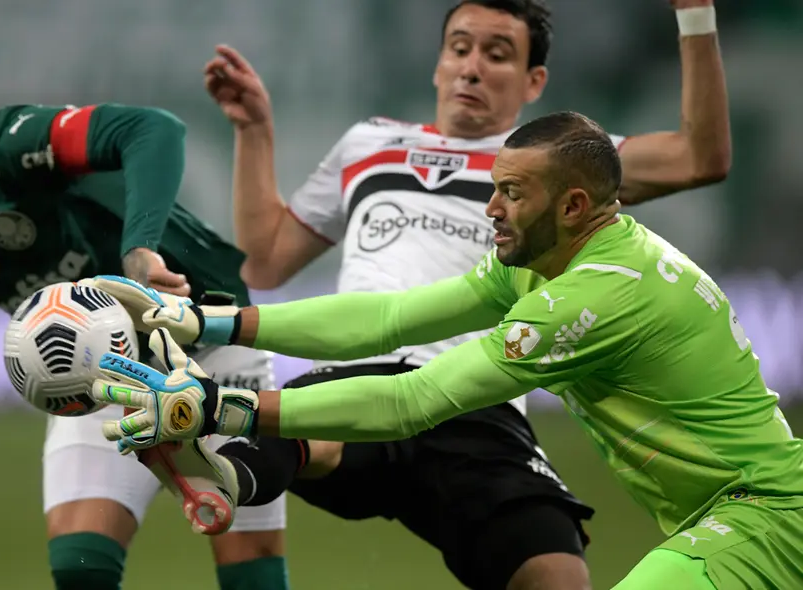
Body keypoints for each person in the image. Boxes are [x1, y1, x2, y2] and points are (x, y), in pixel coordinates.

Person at [140, 0, 729, 588]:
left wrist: (696, 15)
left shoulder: (560, 168)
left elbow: (702, 157)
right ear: (438, 64)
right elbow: (266, 259)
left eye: (497, 54)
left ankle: (221, 452)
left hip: (476, 396)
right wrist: (254, 132)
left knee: (557, 571)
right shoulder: (368, 144)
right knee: (313, 437)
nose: (472, 67)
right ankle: (224, 474)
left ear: (534, 81)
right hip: (358, 369)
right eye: (459, 47)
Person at [89, 110, 803, 590]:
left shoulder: (590, 297)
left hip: (762, 516)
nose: (490, 209)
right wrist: (211, 324)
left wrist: (218, 405)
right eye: (494, 188)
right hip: (722, 512)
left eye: (511, 193)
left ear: (574, 207)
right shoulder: (544, 260)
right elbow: (390, 320)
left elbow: (414, 401)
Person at [0, 92, 291, 590]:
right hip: (101, 370)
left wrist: (139, 247)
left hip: (207, 331)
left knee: (248, 571)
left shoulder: (5, 149)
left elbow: (154, 128)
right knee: (80, 567)